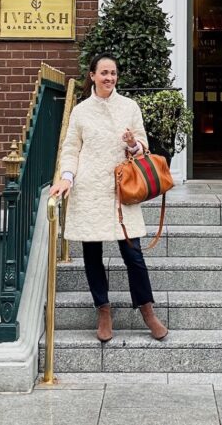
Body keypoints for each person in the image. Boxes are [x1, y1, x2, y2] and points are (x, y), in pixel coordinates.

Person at [49, 53, 168, 343]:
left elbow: (143, 145)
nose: (109, 78)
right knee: (92, 255)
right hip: (89, 190)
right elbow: (70, 148)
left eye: (113, 73)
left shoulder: (129, 107)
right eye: (103, 73)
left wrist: (133, 144)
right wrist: (66, 177)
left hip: (121, 190)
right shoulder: (80, 111)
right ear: (92, 75)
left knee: (133, 254)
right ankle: (103, 310)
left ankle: (147, 310)